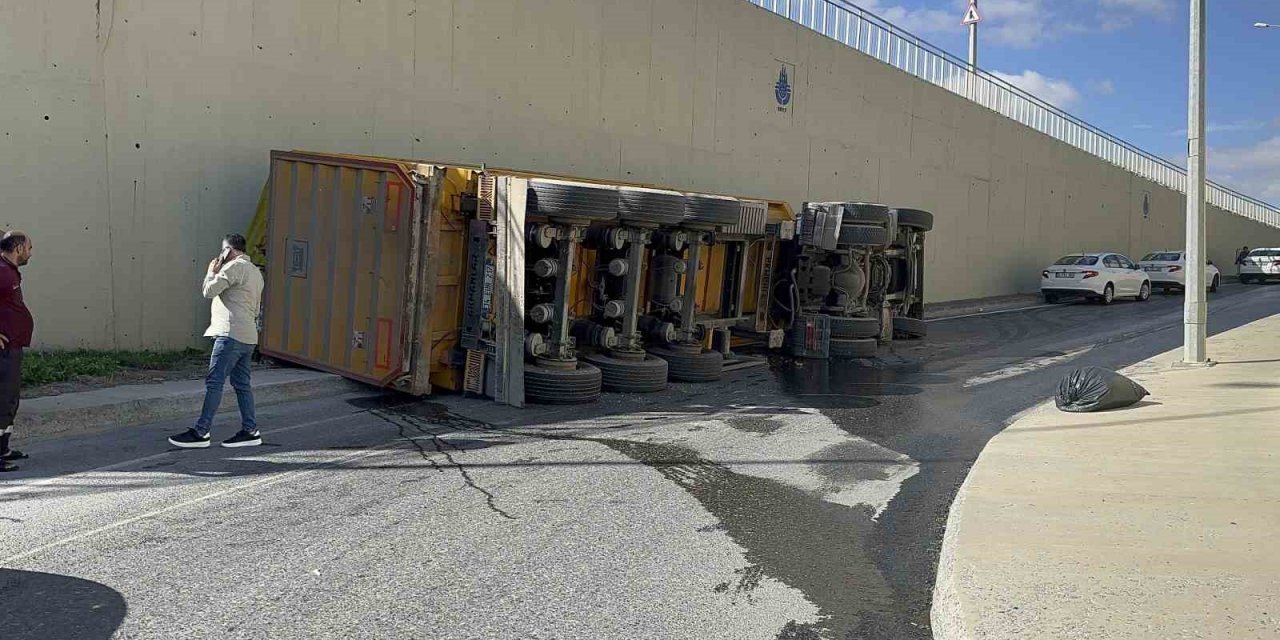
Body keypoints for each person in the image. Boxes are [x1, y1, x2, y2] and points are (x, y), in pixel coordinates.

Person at [169, 234, 265, 449]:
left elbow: (208, 291)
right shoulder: (256, 273)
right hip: (248, 336)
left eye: (222, 250)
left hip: (230, 335)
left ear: (228, 250)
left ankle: (201, 432)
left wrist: (211, 271)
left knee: (215, 382)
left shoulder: (232, 267)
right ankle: (251, 430)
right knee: (241, 384)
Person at [0, 231, 34, 472]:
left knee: (10, 399)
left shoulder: (8, 271)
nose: (31, 252)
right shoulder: (1, 271)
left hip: (13, 346)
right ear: (19, 248)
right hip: (4, 349)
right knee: (2, 399)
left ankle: (3, 448)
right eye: (30, 247)